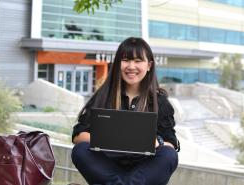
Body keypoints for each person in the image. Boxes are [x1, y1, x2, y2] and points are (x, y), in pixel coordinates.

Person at [71, 37, 180, 185]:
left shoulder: (159, 101)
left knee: (169, 155)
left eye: (137, 61)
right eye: (126, 60)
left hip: (144, 170)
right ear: (117, 64)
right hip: (107, 167)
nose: (131, 66)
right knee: (80, 150)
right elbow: (78, 135)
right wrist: (113, 141)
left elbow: (171, 143)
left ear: (149, 65)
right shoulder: (104, 96)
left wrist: (157, 142)